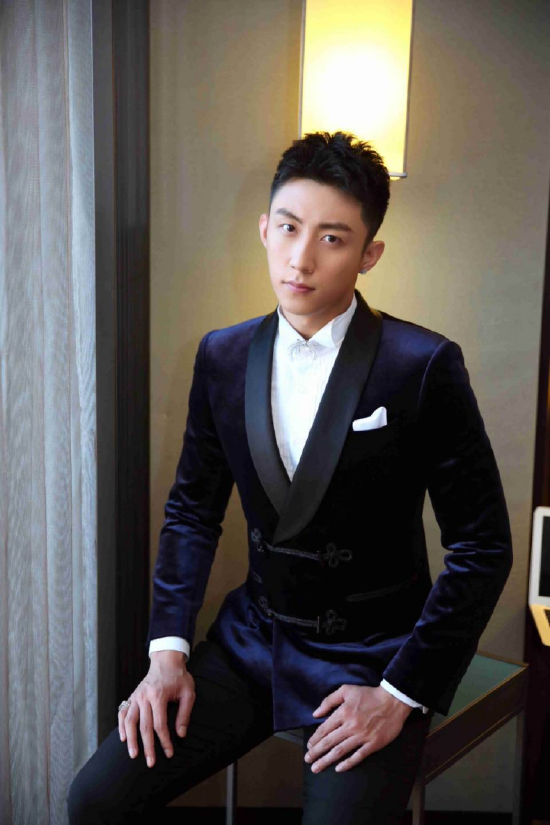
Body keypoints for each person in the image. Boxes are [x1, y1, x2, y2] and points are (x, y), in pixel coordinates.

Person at [67, 131, 513, 824]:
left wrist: (399, 693)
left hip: (373, 658)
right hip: (253, 642)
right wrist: (167, 654)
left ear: (370, 254)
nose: (301, 258)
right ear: (263, 229)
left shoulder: (422, 364)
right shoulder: (221, 355)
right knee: (93, 799)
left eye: (332, 239)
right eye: (288, 228)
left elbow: (483, 547)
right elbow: (191, 512)